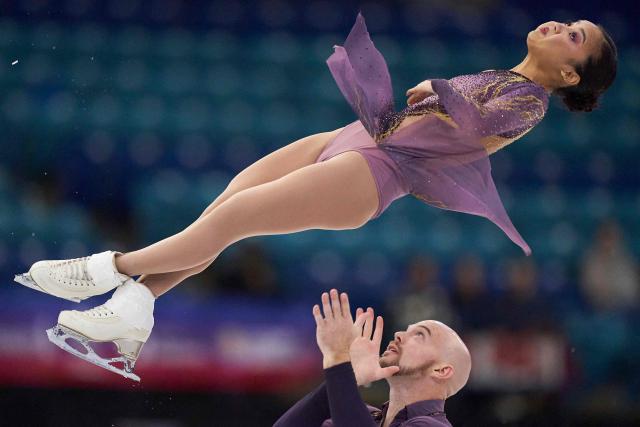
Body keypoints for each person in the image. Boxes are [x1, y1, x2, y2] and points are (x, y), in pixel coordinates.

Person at [15, 13, 617, 378]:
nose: (560, 27)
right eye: (569, 22)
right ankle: (128, 321)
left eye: (574, 38)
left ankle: (107, 268)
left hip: (378, 169)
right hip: (354, 136)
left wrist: (436, 85)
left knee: (238, 219)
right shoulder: (505, 77)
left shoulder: (530, 103)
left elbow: (471, 127)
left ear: (570, 76)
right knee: (224, 209)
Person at [274, 289, 471, 426]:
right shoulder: (364, 417)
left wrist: (338, 358)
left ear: (441, 370)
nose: (399, 334)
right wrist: (349, 376)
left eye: (420, 335)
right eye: (406, 330)